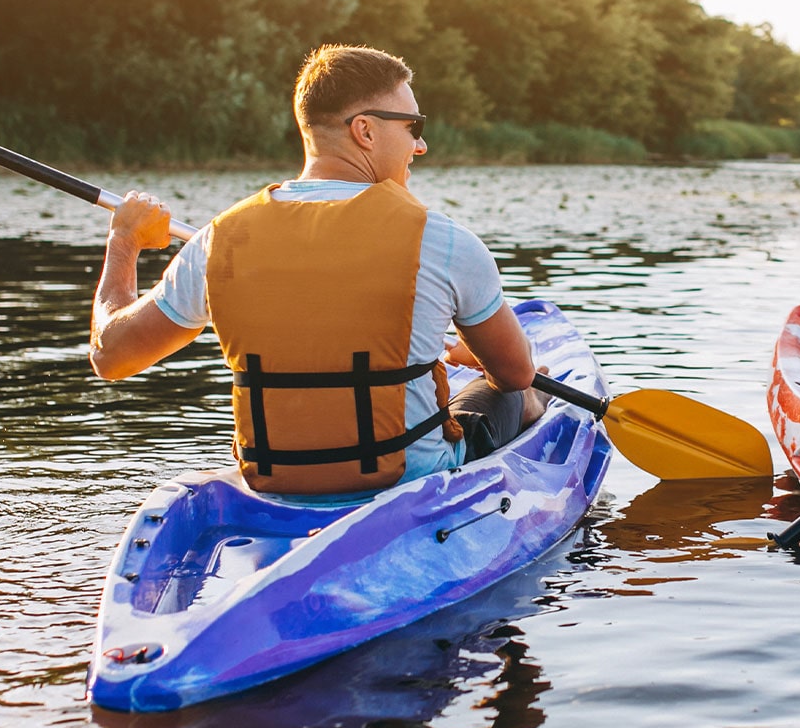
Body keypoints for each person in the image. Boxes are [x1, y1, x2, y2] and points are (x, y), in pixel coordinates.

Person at [88, 44, 545, 498]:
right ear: (365, 130)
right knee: (517, 394)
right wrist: (478, 357)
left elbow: (110, 356)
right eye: (413, 127)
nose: (420, 145)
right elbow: (514, 372)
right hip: (409, 480)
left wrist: (124, 241)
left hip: (276, 479)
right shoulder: (444, 240)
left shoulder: (219, 238)